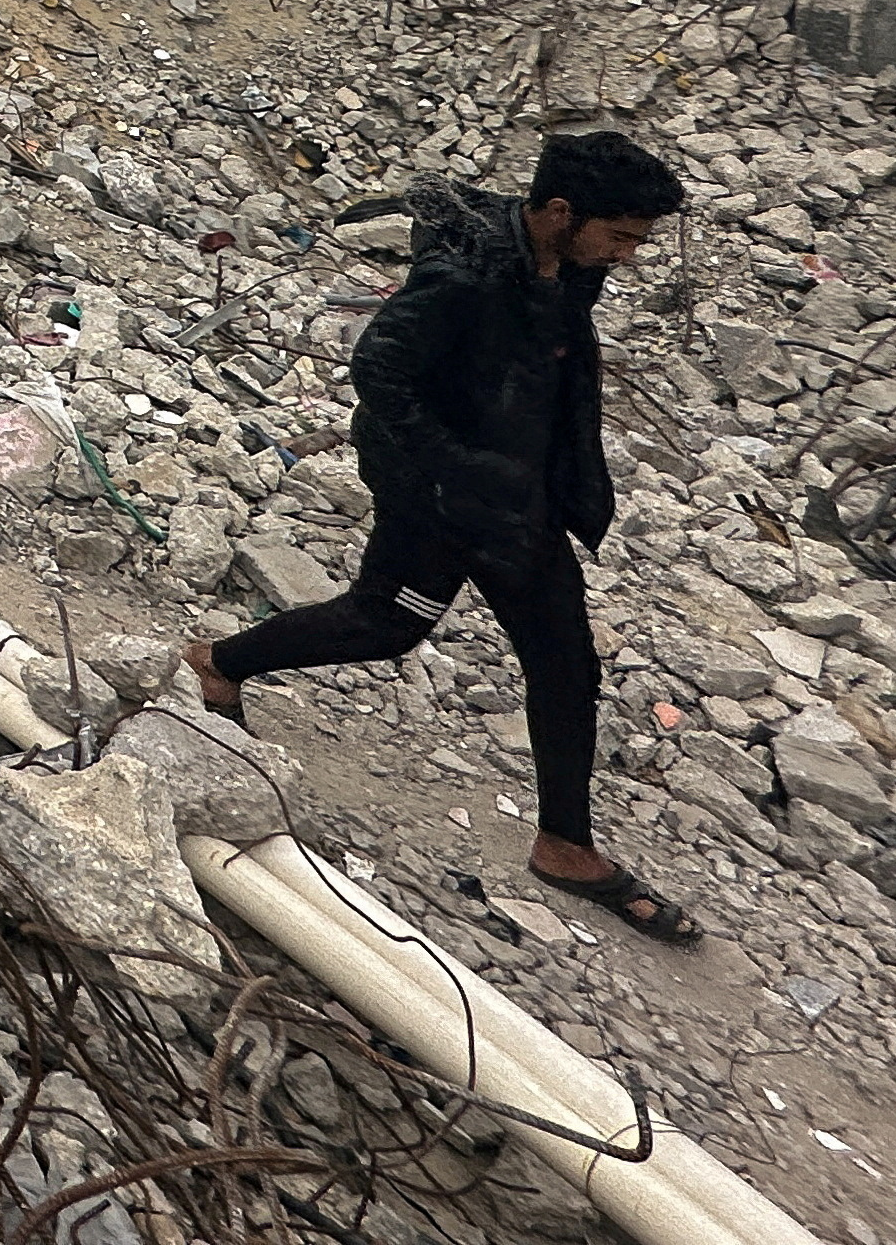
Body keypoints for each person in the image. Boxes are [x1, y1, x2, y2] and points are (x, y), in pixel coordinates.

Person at [184, 128, 699, 943]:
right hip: (441, 494)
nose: (627, 254)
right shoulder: (461, 275)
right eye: (620, 234)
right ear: (560, 210)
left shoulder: (571, 264)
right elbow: (379, 369)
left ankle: (564, 843)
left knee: (565, 661)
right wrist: (458, 468)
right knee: (388, 622)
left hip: (518, 499)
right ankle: (219, 661)